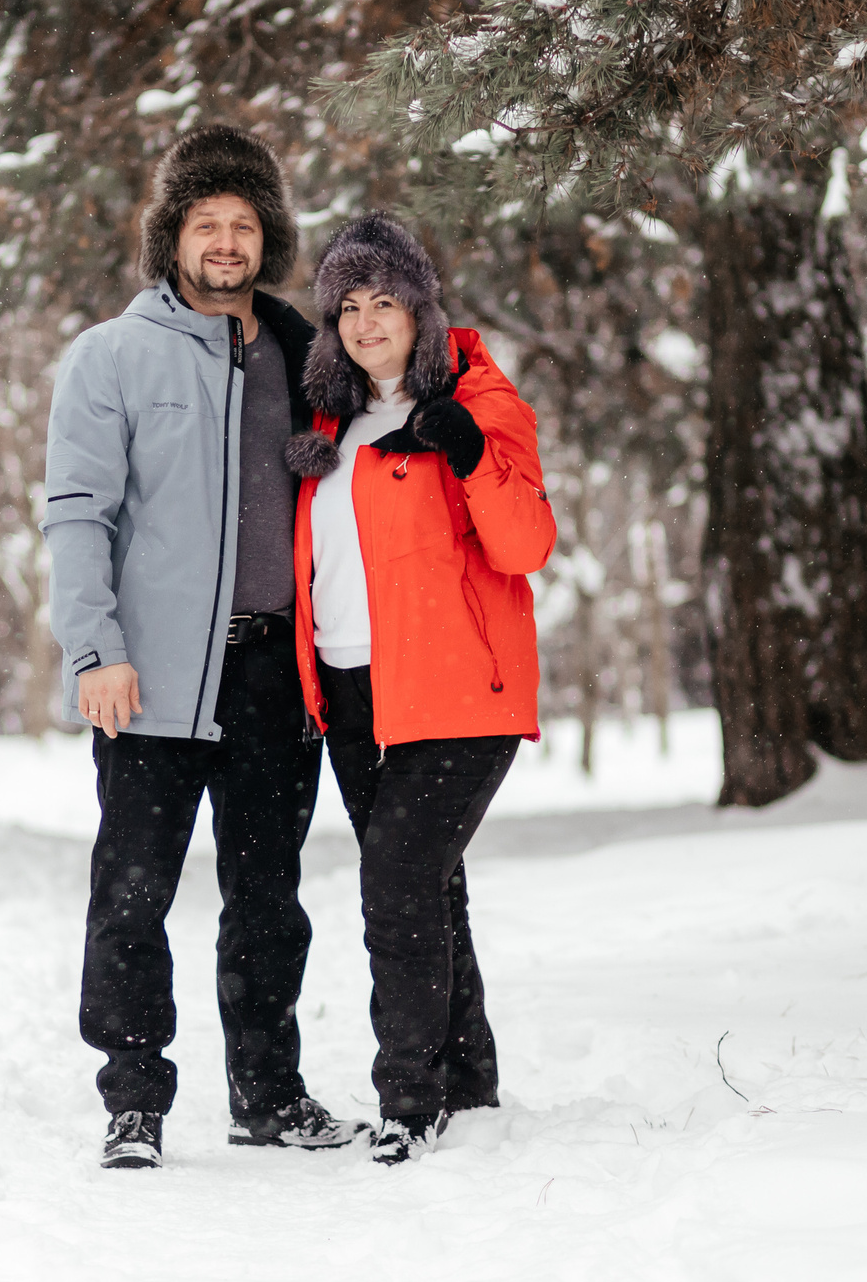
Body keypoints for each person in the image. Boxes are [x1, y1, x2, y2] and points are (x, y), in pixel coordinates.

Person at [44, 125, 367, 1170]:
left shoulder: (308, 356)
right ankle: (132, 1096)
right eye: (204, 223)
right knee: (131, 889)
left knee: (269, 895)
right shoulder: (111, 357)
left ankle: (268, 1095)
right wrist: (94, 651)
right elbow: (77, 516)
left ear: (265, 234)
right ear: (171, 237)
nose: (225, 242)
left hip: (278, 670)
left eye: (242, 223)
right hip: (153, 674)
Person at [283, 213, 556, 1166]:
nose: (365, 322)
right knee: (433, 891)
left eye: (383, 301)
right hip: (355, 692)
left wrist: (473, 457)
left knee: (394, 884)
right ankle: (467, 1078)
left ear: (419, 307)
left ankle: (409, 1098)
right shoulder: (332, 419)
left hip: (458, 691)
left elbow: (527, 547)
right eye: (347, 306)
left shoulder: (480, 399)